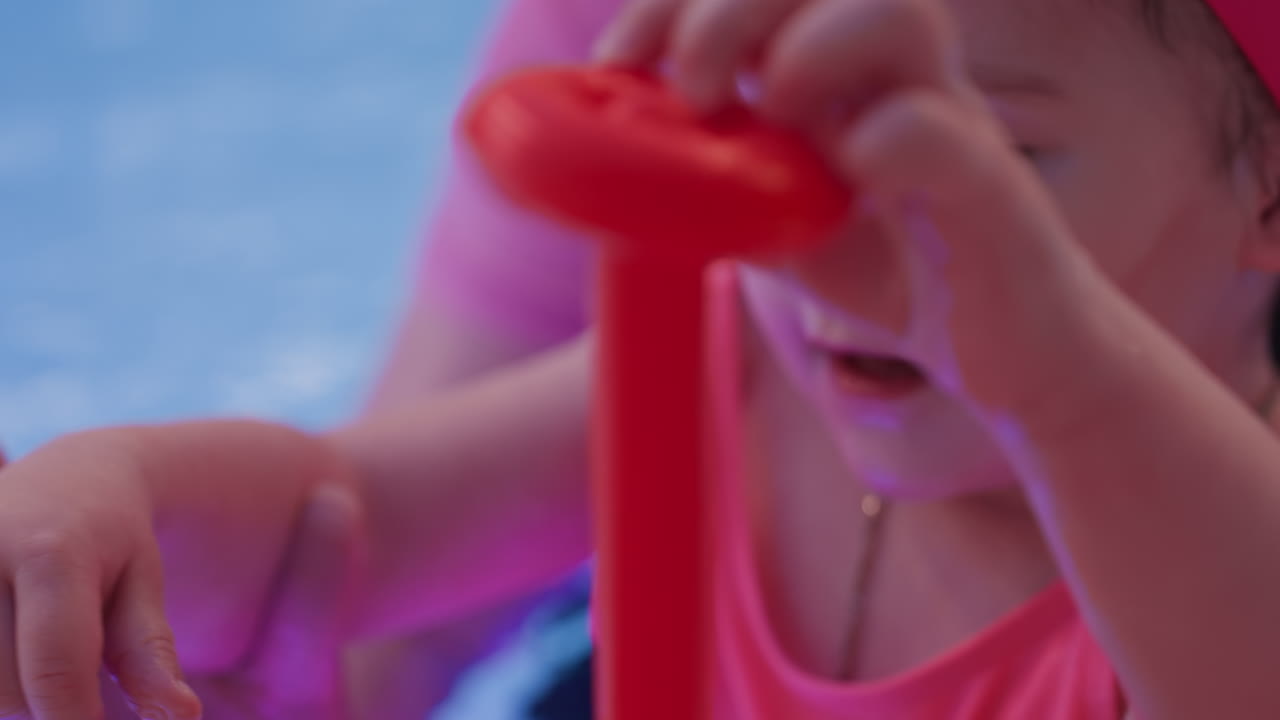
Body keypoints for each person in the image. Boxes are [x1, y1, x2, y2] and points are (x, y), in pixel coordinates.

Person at [5, 0, 1280, 718]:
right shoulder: (735, 361)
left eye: (986, 165)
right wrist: (116, 500)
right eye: (786, 131)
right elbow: (351, 523)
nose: (836, 237)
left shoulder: (1203, 568)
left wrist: (1057, 373)